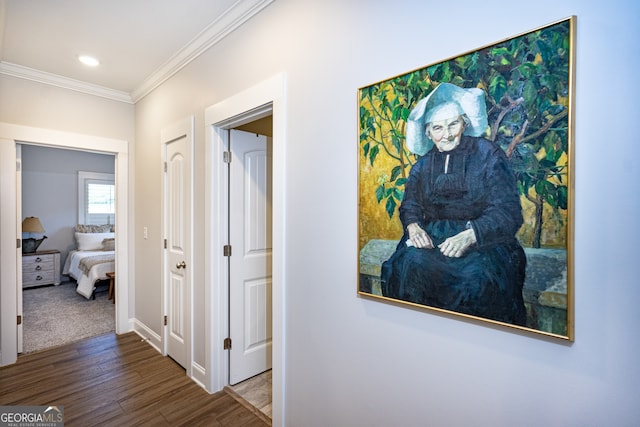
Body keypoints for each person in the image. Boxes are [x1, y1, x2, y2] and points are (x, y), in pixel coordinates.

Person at [380, 82, 527, 326]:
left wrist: (471, 236)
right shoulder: (423, 165)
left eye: (453, 125)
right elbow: (410, 206)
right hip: (434, 242)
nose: (446, 135)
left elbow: (508, 212)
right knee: (410, 267)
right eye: (437, 128)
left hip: (484, 244)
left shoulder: (488, 154)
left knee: (479, 279)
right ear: (428, 133)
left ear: (465, 124)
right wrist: (414, 227)